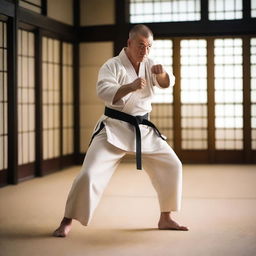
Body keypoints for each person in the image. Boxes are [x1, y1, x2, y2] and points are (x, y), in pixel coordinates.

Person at [53, 24, 188, 237]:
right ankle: (67, 220)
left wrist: (161, 74)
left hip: (143, 129)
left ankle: (166, 217)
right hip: (113, 128)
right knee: (88, 174)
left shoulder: (150, 64)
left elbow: (166, 82)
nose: (145, 51)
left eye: (149, 46)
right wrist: (130, 86)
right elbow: (103, 91)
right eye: (141, 45)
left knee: (172, 165)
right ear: (129, 43)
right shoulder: (112, 65)